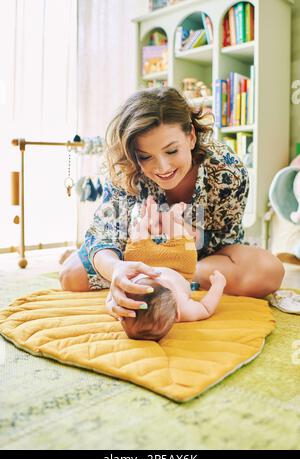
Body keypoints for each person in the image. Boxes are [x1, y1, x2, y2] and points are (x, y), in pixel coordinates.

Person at [59, 86, 285, 322]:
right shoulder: (124, 166)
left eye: (171, 151)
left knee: (269, 272)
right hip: (135, 252)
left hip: (201, 258)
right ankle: (147, 275)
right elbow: (106, 232)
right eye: (146, 156)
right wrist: (116, 269)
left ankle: (160, 277)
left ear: (191, 137)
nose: (163, 167)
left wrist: (180, 253)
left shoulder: (227, 170)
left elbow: (226, 242)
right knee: (70, 276)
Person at [105, 196, 227, 341]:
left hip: (141, 264)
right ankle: (171, 218)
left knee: (136, 240)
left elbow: (112, 296)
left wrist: (111, 304)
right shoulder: (182, 306)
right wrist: (218, 286)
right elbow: (206, 308)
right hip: (179, 266)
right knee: (180, 239)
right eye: (163, 283)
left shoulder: (125, 303)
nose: (157, 276)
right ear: (178, 315)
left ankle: (149, 219)